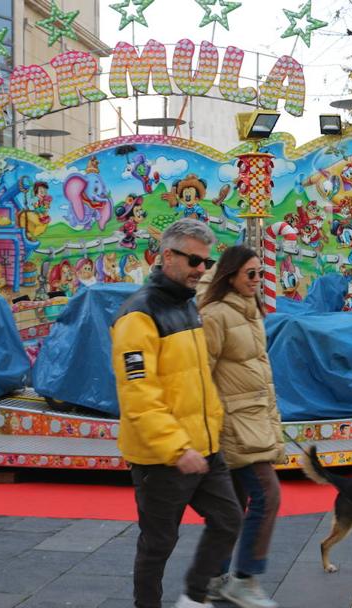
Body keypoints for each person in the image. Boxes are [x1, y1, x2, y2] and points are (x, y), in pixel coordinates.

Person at [111, 218, 243, 608]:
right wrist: (175, 447)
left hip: (204, 448)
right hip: (161, 458)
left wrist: (214, 431)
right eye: (194, 260)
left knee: (229, 520)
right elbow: (138, 393)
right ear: (167, 255)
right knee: (158, 544)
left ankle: (193, 597)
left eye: (207, 262)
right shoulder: (137, 315)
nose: (202, 269)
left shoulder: (188, 306)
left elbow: (198, 379)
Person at [197, 246, 285, 608]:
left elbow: (258, 373)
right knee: (268, 496)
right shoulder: (215, 315)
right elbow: (201, 373)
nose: (256, 280)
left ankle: (214, 578)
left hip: (252, 416)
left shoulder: (249, 313)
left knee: (232, 506)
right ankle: (245, 579)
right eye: (250, 273)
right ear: (230, 275)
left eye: (260, 273)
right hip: (233, 423)